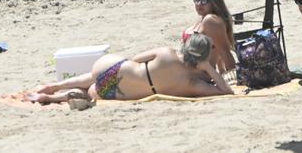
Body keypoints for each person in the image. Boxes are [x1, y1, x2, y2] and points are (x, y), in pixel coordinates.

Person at [25, 34, 231, 103]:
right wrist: (209, 70)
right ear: (203, 58)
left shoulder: (167, 53)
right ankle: (54, 98)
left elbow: (136, 58)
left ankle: (55, 85)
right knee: (89, 93)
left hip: (112, 68)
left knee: (96, 75)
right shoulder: (192, 84)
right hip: (115, 92)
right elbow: (226, 92)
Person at [184, 0, 236, 73]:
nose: (199, 4)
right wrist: (221, 69)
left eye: (204, 0)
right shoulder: (202, 19)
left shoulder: (211, 21)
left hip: (196, 77)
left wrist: (235, 78)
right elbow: (216, 48)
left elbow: (224, 52)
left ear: (214, 2)